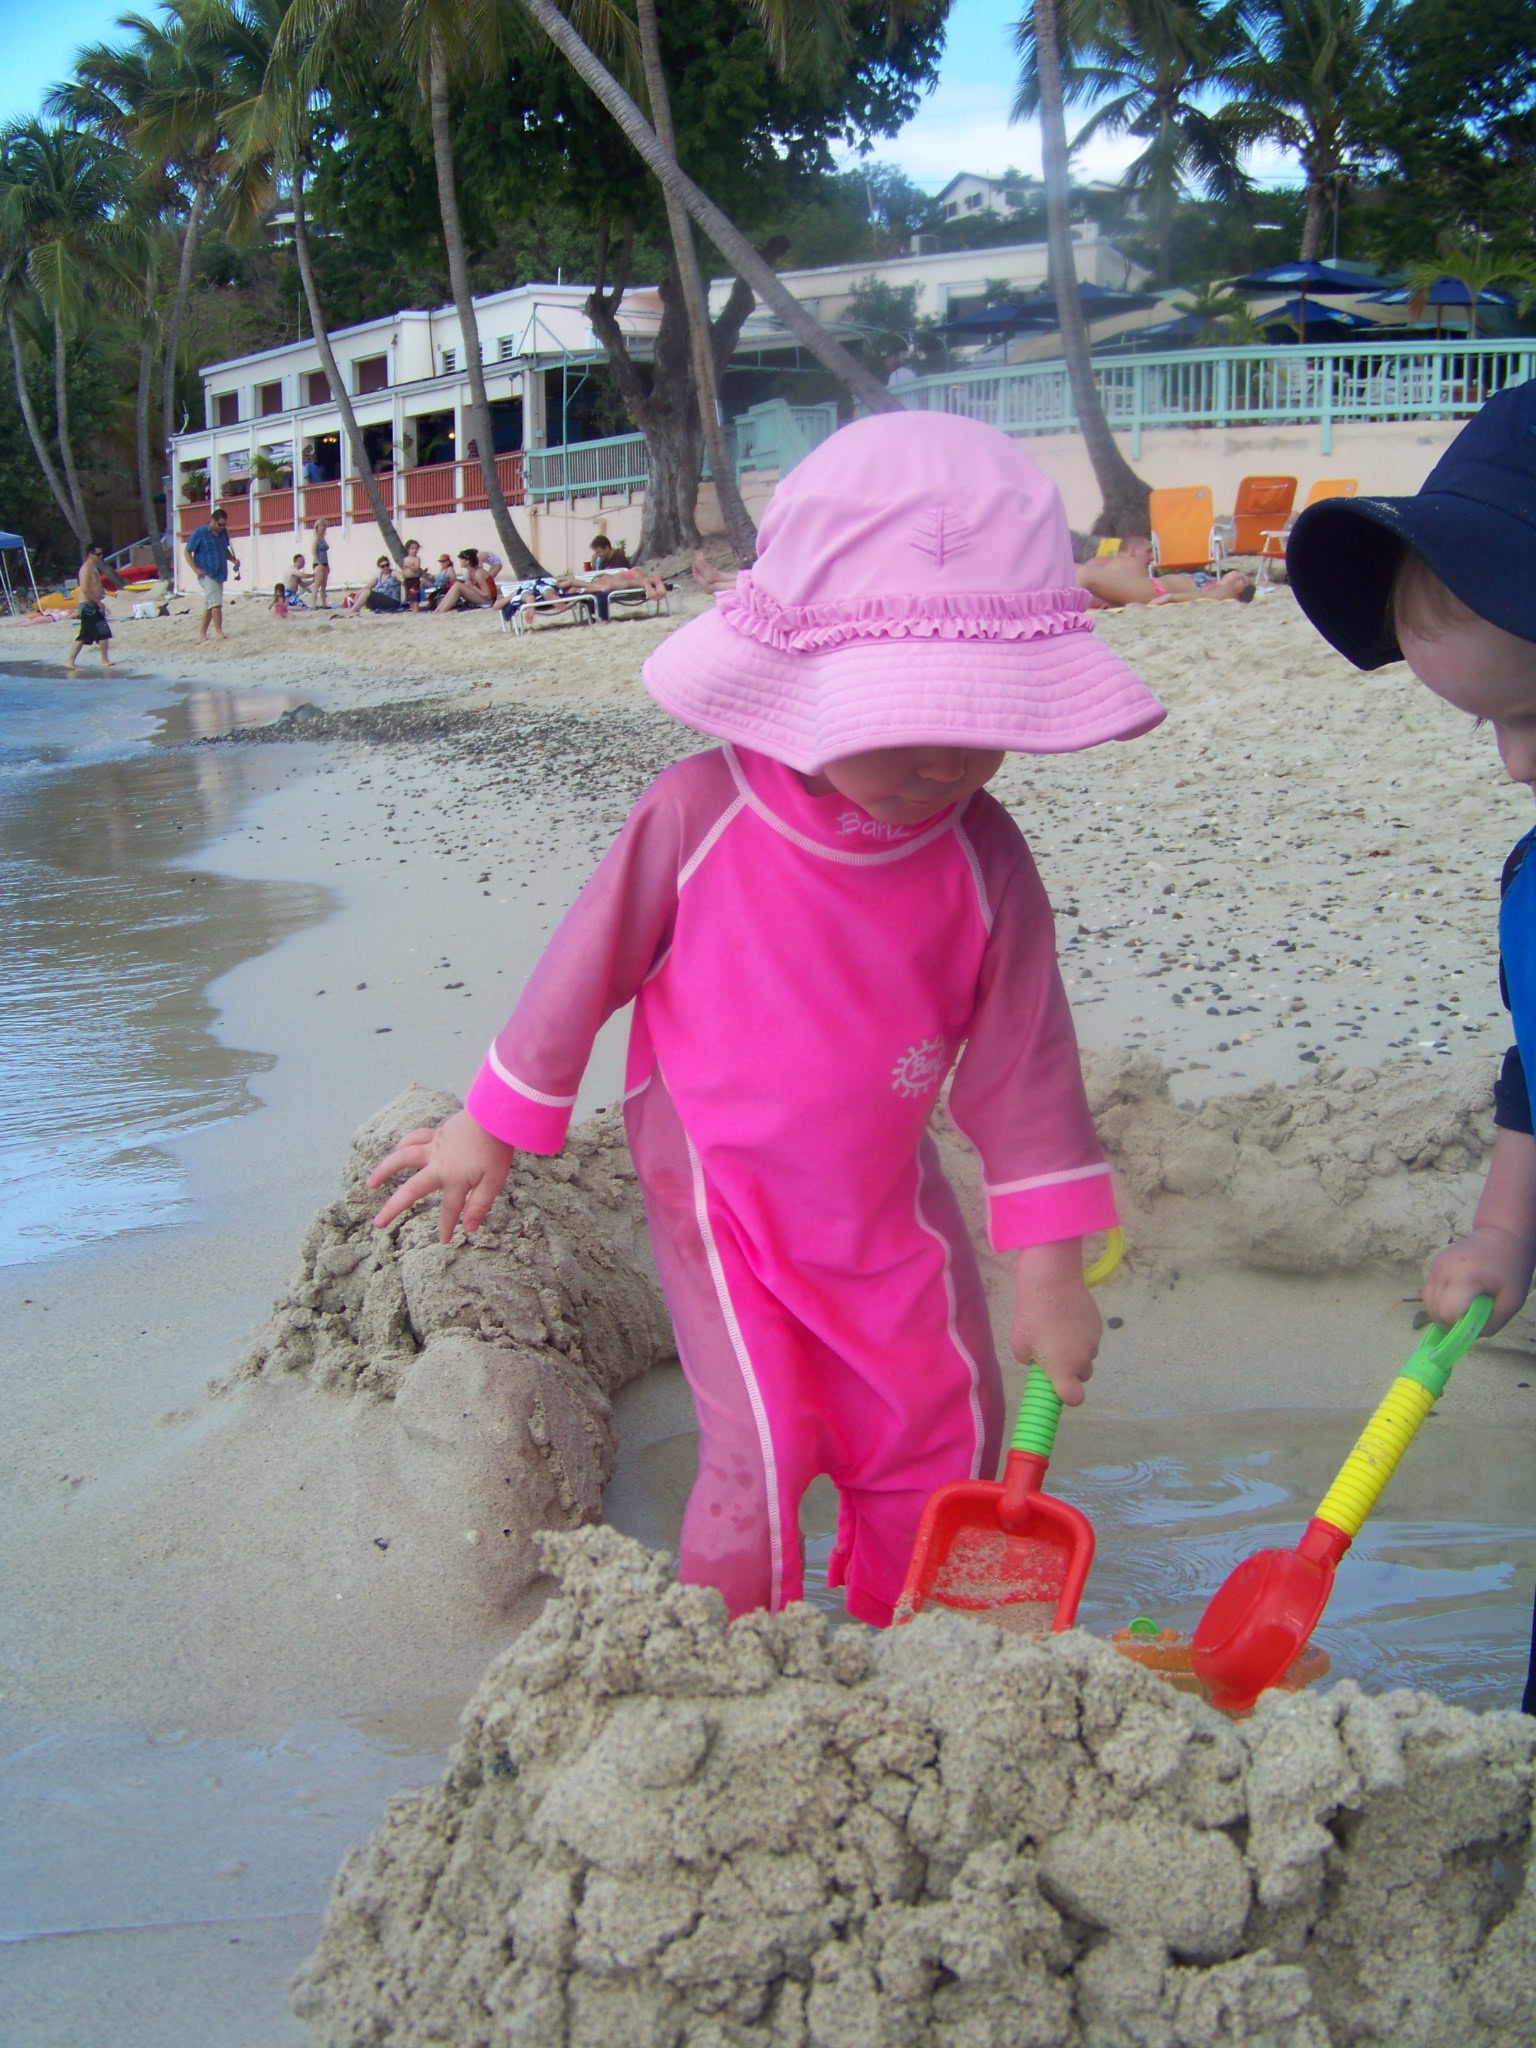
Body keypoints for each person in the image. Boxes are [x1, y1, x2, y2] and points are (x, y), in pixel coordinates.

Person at [367, 411, 1165, 1628]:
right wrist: (492, 1123)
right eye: (907, 718)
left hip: (881, 1189)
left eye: (982, 721)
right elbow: (584, 967)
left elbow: (1026, 1069)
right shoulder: (702, 811)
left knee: (945, 1415)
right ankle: (732, 1646)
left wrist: (1052, 1275)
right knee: (764, 1439)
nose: (945, 762)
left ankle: (913, 1635)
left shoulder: (986, 858)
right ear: (803, 678)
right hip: (719, 1187)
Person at [1286, 378, 1536, 1717]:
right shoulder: (1532, 883)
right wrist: (1504, 1229)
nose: (1512, 765)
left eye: (1535, 719)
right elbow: (1534, 1076)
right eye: (1489, 725)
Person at [1075, 537, 1255, 608]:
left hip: (1155, 590)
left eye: (1242, 580)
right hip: (1152, 588)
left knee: (1085, 575)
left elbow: (1203, 598)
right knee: (1080, 576)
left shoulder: (1226, 591)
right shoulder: (1214, 583)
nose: (1239, 575)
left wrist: (1172, 598)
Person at [183, 504, 239, 642]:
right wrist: (195, 569)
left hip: (220, 571)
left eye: (224, 525)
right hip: (206, 572)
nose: (222, 527)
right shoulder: (199, 532)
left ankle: (202, 634)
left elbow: (224, 549)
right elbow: (187, 551)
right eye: (220, 525)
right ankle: (219, 632)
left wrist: (233, 560)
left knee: (210, 603)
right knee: (216, 604)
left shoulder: (223, 533)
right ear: (213, 521)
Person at [66, 543, 113, 673]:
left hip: (92, 604)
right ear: (90, 554)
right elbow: (85, 589)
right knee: (96, 631)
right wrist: (98, 602)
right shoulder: (86, 569)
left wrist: (100, 597)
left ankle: (103, 660)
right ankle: (71, 660)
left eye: (101, 554)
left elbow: (94, 586)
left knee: (93, 632)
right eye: (98, 554)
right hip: (87, 605)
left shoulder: (93, 568)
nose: (100, 556)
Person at [432, 547, 497, 612]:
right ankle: (437, 610)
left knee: (458, 586)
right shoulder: (469, 573)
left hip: (488, 601)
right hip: (480, 598)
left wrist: (472, 587)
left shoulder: (478, 574)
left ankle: (442, 611)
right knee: (457, 585)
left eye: (461, 559)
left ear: (467, 561)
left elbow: (487, 595)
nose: (459, 561)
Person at [311, 519, 331, 609]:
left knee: (324, 585)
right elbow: (313, 551)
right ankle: (313, 604)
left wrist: (327, 565)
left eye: (324, 526)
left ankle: (324, 603)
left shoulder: (323, 538)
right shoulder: (316, 538)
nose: (322, 528)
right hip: (318, 562)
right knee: (317, 584)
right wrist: (319, 563)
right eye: (321, 526)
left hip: (325, 562)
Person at [399, 539, 425, 609]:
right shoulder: (405, 559)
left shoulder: (417, 559)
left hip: (414, 580)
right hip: (407, 580)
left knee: (414, 596)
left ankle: (416, 610)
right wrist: (403, 579)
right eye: (412, 548)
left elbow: (416, 568)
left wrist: (409, 566)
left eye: (416, 549)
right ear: (408, 549)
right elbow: (404, 570)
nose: (415, 550)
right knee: (409, 597)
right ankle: (413, 609)